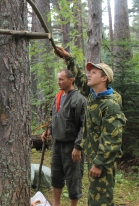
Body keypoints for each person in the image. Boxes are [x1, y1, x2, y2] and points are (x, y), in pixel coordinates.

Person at [55, 46, 127, 206]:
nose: (89, 74)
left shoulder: (110, 106)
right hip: (94, 157)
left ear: (104, 79)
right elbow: (80, 78)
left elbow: (112, 139)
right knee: (95, 197)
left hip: (103, 161)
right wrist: (68, 58)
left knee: (100, 201)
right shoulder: (94, 97)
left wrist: (99, 163)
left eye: (94, 72)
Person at [41, 69, 86, 206]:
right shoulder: (58, 97)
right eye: (58, 79)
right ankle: (56, 204)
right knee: (56, 175)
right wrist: (48, 130)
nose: (58, 82)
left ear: (71, 80)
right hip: (57, 144)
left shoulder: (79, 100)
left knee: (74, 178)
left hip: (72, 146)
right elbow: (54, 117)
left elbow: (85, 126)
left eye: (61, 79)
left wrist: (78, 147)